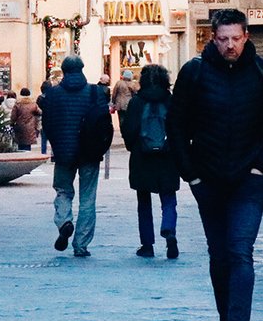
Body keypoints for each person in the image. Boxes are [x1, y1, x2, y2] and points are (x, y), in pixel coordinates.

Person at [170, 8, 263, 321]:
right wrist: (192, 176)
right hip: (209, 181)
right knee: (219, 254)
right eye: (223, 39)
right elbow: (176, 128)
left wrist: (261, 167)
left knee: (240, 250)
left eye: (236, 38)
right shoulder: (194, 73)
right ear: (212, 38)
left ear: (246, 36)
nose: (230, 45)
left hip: (248, 181)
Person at [40, 56, 110, 257]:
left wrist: (57, 145)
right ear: (82, 68)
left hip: (64, 153)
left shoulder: (53, 94)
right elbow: (104, 123)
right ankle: (81, 244)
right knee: (88, 198)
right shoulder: (95, 92)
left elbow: (48, 125)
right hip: (90, 153)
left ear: (63, 70)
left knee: (63, 190)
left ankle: (64, 221)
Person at [121, 64, 180, 259]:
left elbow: (128, 130)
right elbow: (180, 129)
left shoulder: (137, 102)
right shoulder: (172, 101)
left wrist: (135, 146)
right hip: (167, 157)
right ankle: (169, 229)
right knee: (169, 198)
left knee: (144, 202)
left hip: (142, 158)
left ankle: (147, 245)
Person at [11, 87, 42, 152]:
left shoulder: (17, 104)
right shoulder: (33, 104)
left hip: (20, 126)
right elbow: (40, 112)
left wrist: (12, 123)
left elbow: (13, 116)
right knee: (28, 145)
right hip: (30, 127)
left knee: (20, 144)